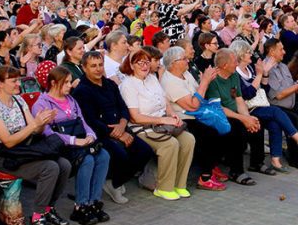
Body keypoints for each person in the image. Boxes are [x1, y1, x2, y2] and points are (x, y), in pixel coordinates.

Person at [0, 66, 70, 225]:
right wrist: (34, 125)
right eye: (13, 80)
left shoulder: (18, 101)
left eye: (18, 80)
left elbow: (35, 131)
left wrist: (44, 122)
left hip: (22, 151)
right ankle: (36, 220)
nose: (18, 84)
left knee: (65, 165)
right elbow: (7, 141)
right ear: (0, 84)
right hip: (4, 156)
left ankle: (47, 209)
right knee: (50, 167)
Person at [72, 51, 154, 205]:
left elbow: (123, 106)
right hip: (100, 133)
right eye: (93, 66)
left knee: (145, 151)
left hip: (121, 128)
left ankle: (115, 181)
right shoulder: (82, 91)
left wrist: (123, 124)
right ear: (84, 68)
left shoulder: (110, 84)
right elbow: (89, 120)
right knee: (120, 154)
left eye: (100, 65)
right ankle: (113, 183)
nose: (98, 69)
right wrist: (116, 134)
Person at [34, 65, 111, 225]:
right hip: (61, 145)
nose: (71, 85)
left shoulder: (71, 100)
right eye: (67, 82)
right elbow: (47, 133)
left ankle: (93, 201)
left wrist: (91, 135)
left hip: (79, 141)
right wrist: (73, 141)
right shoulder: (42, 104)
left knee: (103, 155)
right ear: (54, 83)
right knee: (87, 159)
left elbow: (83, 122)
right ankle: (80, 205)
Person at [118, 49, 196, 200]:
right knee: (170, 144)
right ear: (131, 65)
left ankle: (179, 184)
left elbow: (164, 99)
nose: (144, 65)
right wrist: (163, 120)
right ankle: (163, 187)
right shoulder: (128, 85)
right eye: (140, 62)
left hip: (162, 124)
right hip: (142, 128)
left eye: (147, 62)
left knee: (188, 140)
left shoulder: (152, 78)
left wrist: (171, 113)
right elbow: (135, 118)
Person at [159, 46, 231, 191]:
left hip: (197, 113)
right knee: (209, 133)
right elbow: (192, 105)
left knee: (228, 128)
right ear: (173, 63)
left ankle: (212, 165)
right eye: (184, 59)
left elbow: (198, 93)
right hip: (184, 118)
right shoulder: (170, 81)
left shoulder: (185, 73)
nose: (188, 60)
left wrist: (205, 81)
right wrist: (205, 81)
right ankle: (205, 177)